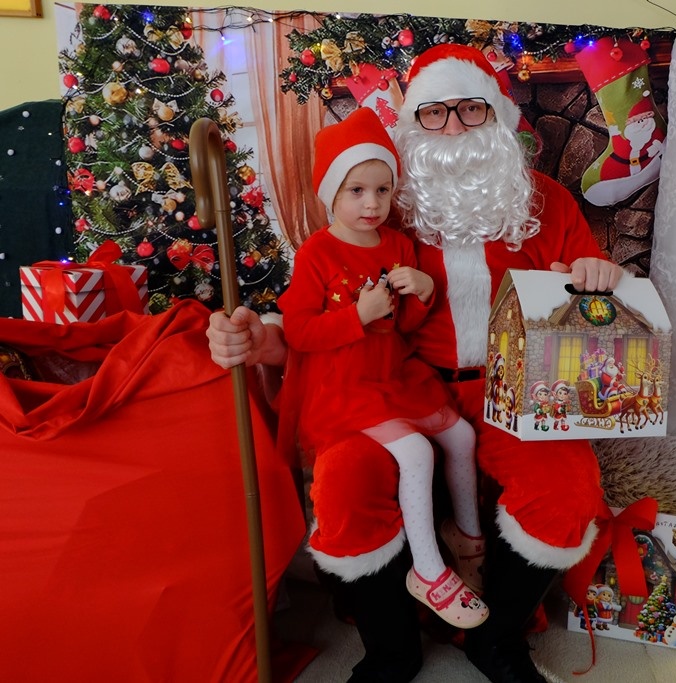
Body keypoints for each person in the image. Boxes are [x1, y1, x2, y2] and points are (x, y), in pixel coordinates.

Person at [207, 43, 625, 683]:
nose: (453, 128)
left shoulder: (543, 201)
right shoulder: (381, 202)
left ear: (499, 116)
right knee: (346, 477)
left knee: (567, 488)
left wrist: (599, 273)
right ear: (413, 124)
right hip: (398, 386)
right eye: (434, 112)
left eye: (470, 109)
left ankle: (495, 640)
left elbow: (587, 298)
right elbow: (324, 304)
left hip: (518, 390)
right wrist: (260, 338)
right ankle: (390, 649)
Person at [276, 108, 488, 628]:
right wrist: (356, 316)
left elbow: (405, 325)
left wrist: (424, 291)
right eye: (356, 191)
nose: (372, 203)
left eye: (382, 190)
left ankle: (467, 536)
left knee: (461, 436)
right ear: (331, 192)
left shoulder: (397, 244)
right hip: (347, 384)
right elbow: (299, 332)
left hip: (395, 374)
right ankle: (428, 571)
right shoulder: (317, 253)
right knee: (416, 452)